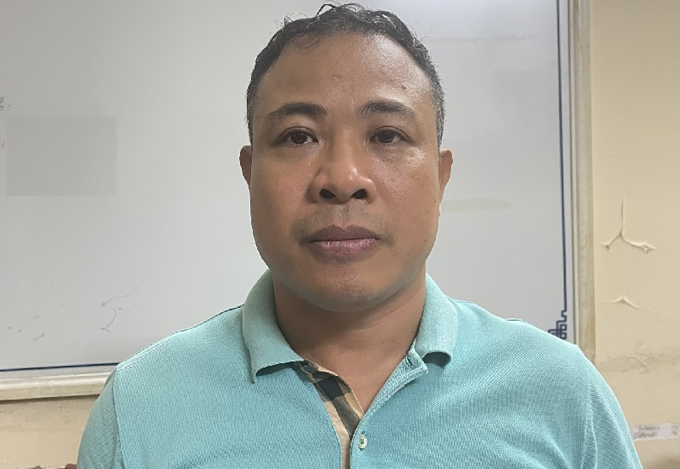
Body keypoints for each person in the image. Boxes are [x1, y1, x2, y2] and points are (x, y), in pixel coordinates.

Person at [77, 4, 642, 468]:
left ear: (441, 176)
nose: (343, 178)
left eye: (388, 135)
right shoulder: (143, 405)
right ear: (250, 173)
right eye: (298, 137)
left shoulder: (559, 392)